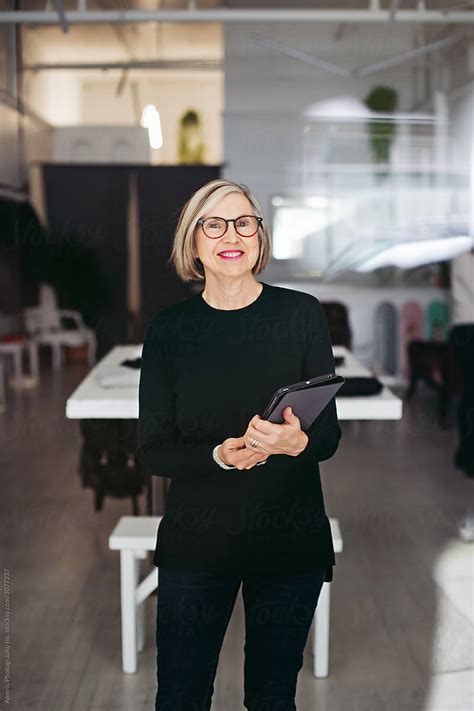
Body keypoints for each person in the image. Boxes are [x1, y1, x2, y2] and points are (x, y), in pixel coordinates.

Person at [138, 178, 342, 711]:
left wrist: (296, 442)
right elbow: (155, 449)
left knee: (274, 699)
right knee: (180, 697)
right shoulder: (169, 330)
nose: (232, 234)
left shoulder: (301, 314)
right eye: (214, 223)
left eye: (244, 222)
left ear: (259, 236)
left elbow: (328, 437)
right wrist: (217, 455)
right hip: (197, 542)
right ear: (194, 241)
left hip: (289, 539)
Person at [449, 247, 474, 478]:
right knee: (469, 396)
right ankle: (467, 456)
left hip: (462, 329)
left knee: (468, 395)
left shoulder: (460, 255)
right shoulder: (463, 256)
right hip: (468, 329)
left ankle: (465, 454)